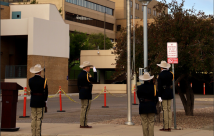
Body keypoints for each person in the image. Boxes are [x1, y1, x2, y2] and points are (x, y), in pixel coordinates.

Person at [29, 64, 48, 136]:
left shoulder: (30, 80)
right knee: (39, 118)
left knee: (33, 118)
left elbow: (31, 90)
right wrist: (45, 100)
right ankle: (38, 133)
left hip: (33, 100)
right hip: (41, 100)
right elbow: (46, 92)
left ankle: (33, 133)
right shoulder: (44, 80)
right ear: (40, 72)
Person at [77, 61, 97, 128]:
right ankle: (83, 124)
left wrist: (81, 91)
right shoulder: (87, 75)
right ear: (87, 68)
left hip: (82, 92)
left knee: (83, 108)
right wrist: (95, 72)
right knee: (86, 109)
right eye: (89, 68)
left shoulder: (79, 74)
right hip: (87, 93)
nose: (90, 69)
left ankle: (82, 123)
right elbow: (95, 80)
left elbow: (78, 85)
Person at [157, 61, 174, 132]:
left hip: (163, 93)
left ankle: (166, 126)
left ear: (161, 67)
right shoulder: (170, 74)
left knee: (165, 110)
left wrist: (159, 96)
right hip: (169, 92)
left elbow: (159, 86)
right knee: (169, 109)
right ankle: (169, 126)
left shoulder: (160, 75)